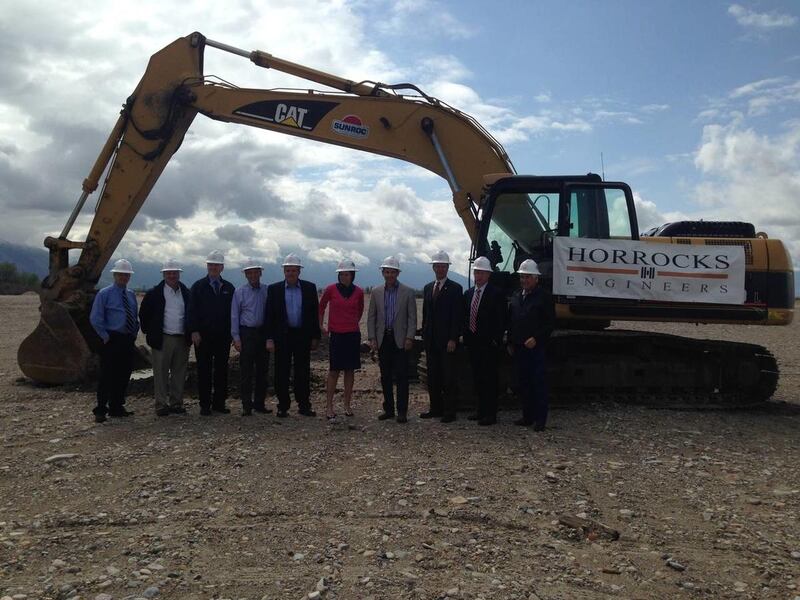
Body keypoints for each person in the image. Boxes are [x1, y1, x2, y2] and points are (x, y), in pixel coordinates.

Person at [265, 253, 321, 418]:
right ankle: (283, 406)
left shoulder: (309, 288)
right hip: (282, 336)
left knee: (302, 372)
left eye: (293, 270)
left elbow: (313, 314)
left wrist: (315, 336)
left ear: (299, 271)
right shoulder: (274, 289)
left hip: (302, 336)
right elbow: (269, 315)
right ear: (284, 271)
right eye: (288, 270)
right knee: (281, 372)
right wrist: (269, 338)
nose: (290, 273)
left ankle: (304, 405)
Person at [367, 256, 417, 424]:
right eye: (386, 272)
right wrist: (372, 338)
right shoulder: (376, 292)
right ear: (383, 273)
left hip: (401, 340)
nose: (389, 275)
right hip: (383, 339)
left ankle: (402, 411)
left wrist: (410, 337)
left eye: (392, 272)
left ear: (397, 273)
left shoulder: (408, 292)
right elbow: (371, 316)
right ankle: (389, 409)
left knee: (402, 376)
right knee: (385, 376)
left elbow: (412, 317)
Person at [139, 259, 192, 417]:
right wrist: (150, 332)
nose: (172, 275)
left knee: (179, 372)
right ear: (163, 274)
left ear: (179, 274)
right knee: (160, 373)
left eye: (174, 273)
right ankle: (161, 404)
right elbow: (144, 314)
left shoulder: (186, 293)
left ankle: (176, 403)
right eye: (169, 273)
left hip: (182, 338)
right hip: (163, 338)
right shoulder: (154, 294)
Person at [89, 258, 139, 423]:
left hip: (127, 339)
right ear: (115, 275)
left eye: (126, 275)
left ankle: (117, 407)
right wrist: (105, 336)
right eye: (121, 275)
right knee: (107, 375)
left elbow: (134, 315)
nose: (124, 277)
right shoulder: (104, 294)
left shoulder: (131, 295)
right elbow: (96, 318)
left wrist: (134, 332)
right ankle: (101, 409)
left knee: (124, 374)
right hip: (112, 338)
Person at [507, 259, 555, 431]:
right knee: (523, 383)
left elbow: (550, 324)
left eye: (528, 277)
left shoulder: (544, 297)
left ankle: (540, 420)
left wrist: (536, 338)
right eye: (522, 277)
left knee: (538, 384)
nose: (524, 280)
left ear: (536, 278)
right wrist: (510, 341)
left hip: (536, 348)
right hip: (519, 347)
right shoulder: (516, 296)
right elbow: (512, 321)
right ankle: (527, 416)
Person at [187, 250, 235, 416]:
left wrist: (232, 334)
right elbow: (191, 310)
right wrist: (194, 331)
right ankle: (205, 405)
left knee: (222, 370)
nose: (213, 267)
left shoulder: (229, 288)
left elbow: (233, 313)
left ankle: (219, 403)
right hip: (203, 337)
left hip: (222, 337)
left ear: (222, 267)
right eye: (211, 265)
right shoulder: (198, 287)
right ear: (207, 266)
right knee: (204, 370)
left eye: (216, 265)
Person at [319, 259, 365, 420]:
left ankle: (347, 404)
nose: (345, 277)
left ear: (352, 275)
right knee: (334, 371)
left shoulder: (358, 292)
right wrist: (321, 325)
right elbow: (321, 306)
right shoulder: (330, 289)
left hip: (352, 335)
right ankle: (329, 406)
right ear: (339, 275)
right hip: (336, 335)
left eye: (348, 274)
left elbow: (360, 311)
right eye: (342, 274)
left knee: (350, 370)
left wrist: (351, 323)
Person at [463, 256, 506, 426]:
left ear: (488, 274)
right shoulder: (468, 294)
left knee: (490, 379)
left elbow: (501, 319)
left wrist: (495, 340)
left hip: (488, 345)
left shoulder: (496, 294)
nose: (478, 276)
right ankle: (480, 410)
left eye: (481, 272)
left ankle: (490, 414)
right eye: (476, 272)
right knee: (477, 378)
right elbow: (465, 317)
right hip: (473, 344)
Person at [421, 250, 463, 423]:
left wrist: (453, 338)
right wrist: (424, 334)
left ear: (447, 268)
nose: (439, 269)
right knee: (433, 377)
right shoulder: (428, 288)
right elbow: (426, 314)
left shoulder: (455, 288)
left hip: (447, 341)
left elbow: (457, 316)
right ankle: (435, 408)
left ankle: (449, 411)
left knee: (448, 378)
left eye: (443, 266)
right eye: (437, 266)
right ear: (433, 268)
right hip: (431, 341)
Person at [231, 258, 271, 417]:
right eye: (250, 273)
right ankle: (246, 406)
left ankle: (259, 404)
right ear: (245, 275)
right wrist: (236, 337)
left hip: (263, 333)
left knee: (263, 370)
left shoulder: (267, 290)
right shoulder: (239, 292)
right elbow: (234, 315)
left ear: (260, 273)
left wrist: (270, 337)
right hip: (246, 333)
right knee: (246, 371)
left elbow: (271, 315)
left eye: (256, 272)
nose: (253, 275)